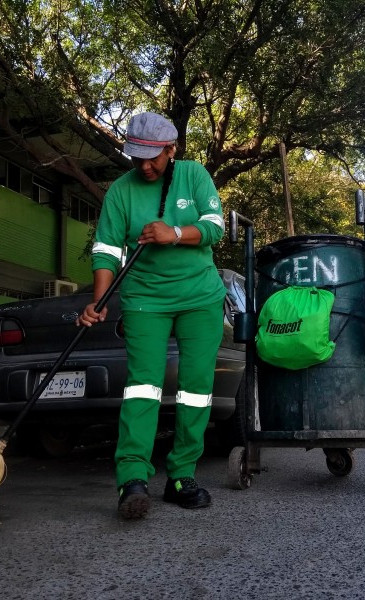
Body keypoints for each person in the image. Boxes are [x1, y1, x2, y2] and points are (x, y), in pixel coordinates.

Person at [77, 112, 227, 519]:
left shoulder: (194, 176)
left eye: (154, 157)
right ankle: (132, 478)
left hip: (200, 297)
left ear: (171, 149)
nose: (145, 165)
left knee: (196, 387)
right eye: (137, 157)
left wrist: (174, 234)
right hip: (145, 298)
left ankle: (182, 474)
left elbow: (215, 226)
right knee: (142, 386)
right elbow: (107, 249)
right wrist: (100, 299)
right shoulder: (120, 192)